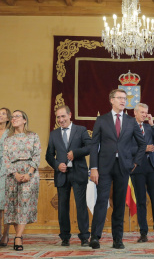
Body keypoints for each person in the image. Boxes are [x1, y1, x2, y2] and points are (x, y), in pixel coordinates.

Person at [89, 89, 146, 249]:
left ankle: (117, 239)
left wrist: (135, 162)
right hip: (104, 167)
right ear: (111, 100)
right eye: (120, 98)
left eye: (125, 98)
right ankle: (95, 237)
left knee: (120, 204)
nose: (123, 101)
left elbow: (142, 144)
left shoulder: (130, 121)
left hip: (123, 167)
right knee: (101, 201)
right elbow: (94, 145)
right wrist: (93, 167)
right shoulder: (101, 120)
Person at [46, 105, 91, 247]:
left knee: (81, 206)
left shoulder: (81, 130)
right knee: (63, 207)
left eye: (63, 116)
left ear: (70, 115)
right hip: (62, 175)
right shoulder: (53, 134)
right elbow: (49, 155)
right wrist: (57, 165)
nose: (61, 119)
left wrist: (75, 153)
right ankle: (65, 237)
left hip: (78, 173)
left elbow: (90, 147)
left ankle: (84, 237)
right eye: (58, 117)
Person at [131, 103, 154, 243]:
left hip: (152, 167)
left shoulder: (148, 127)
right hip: (137, 168)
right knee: (141, 201)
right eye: (141, 112)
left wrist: (153, 125)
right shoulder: (129, 128)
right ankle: (143, 233)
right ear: (135, 113)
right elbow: (127, 148)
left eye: (146, 112)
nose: (144, 115)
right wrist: (144, 149)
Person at [3, 110, 41, 251]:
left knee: (24, 204)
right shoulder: (8, 139)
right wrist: (15, 173)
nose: (14, 119)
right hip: (13, 174)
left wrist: (29, 174)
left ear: (25, 120)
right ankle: (18, 235)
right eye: (12, 117)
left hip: (29, 173)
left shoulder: (33, 136)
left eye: (17, 116)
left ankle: (18, 237)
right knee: (14, 206)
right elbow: (6, 159)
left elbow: (37, 155)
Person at [0, 108, 11, 246]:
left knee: (5, 204)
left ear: (8, 118)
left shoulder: (11, 133)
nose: (0, 116)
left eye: (3, 114)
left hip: (6, 168)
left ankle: (6, 234)